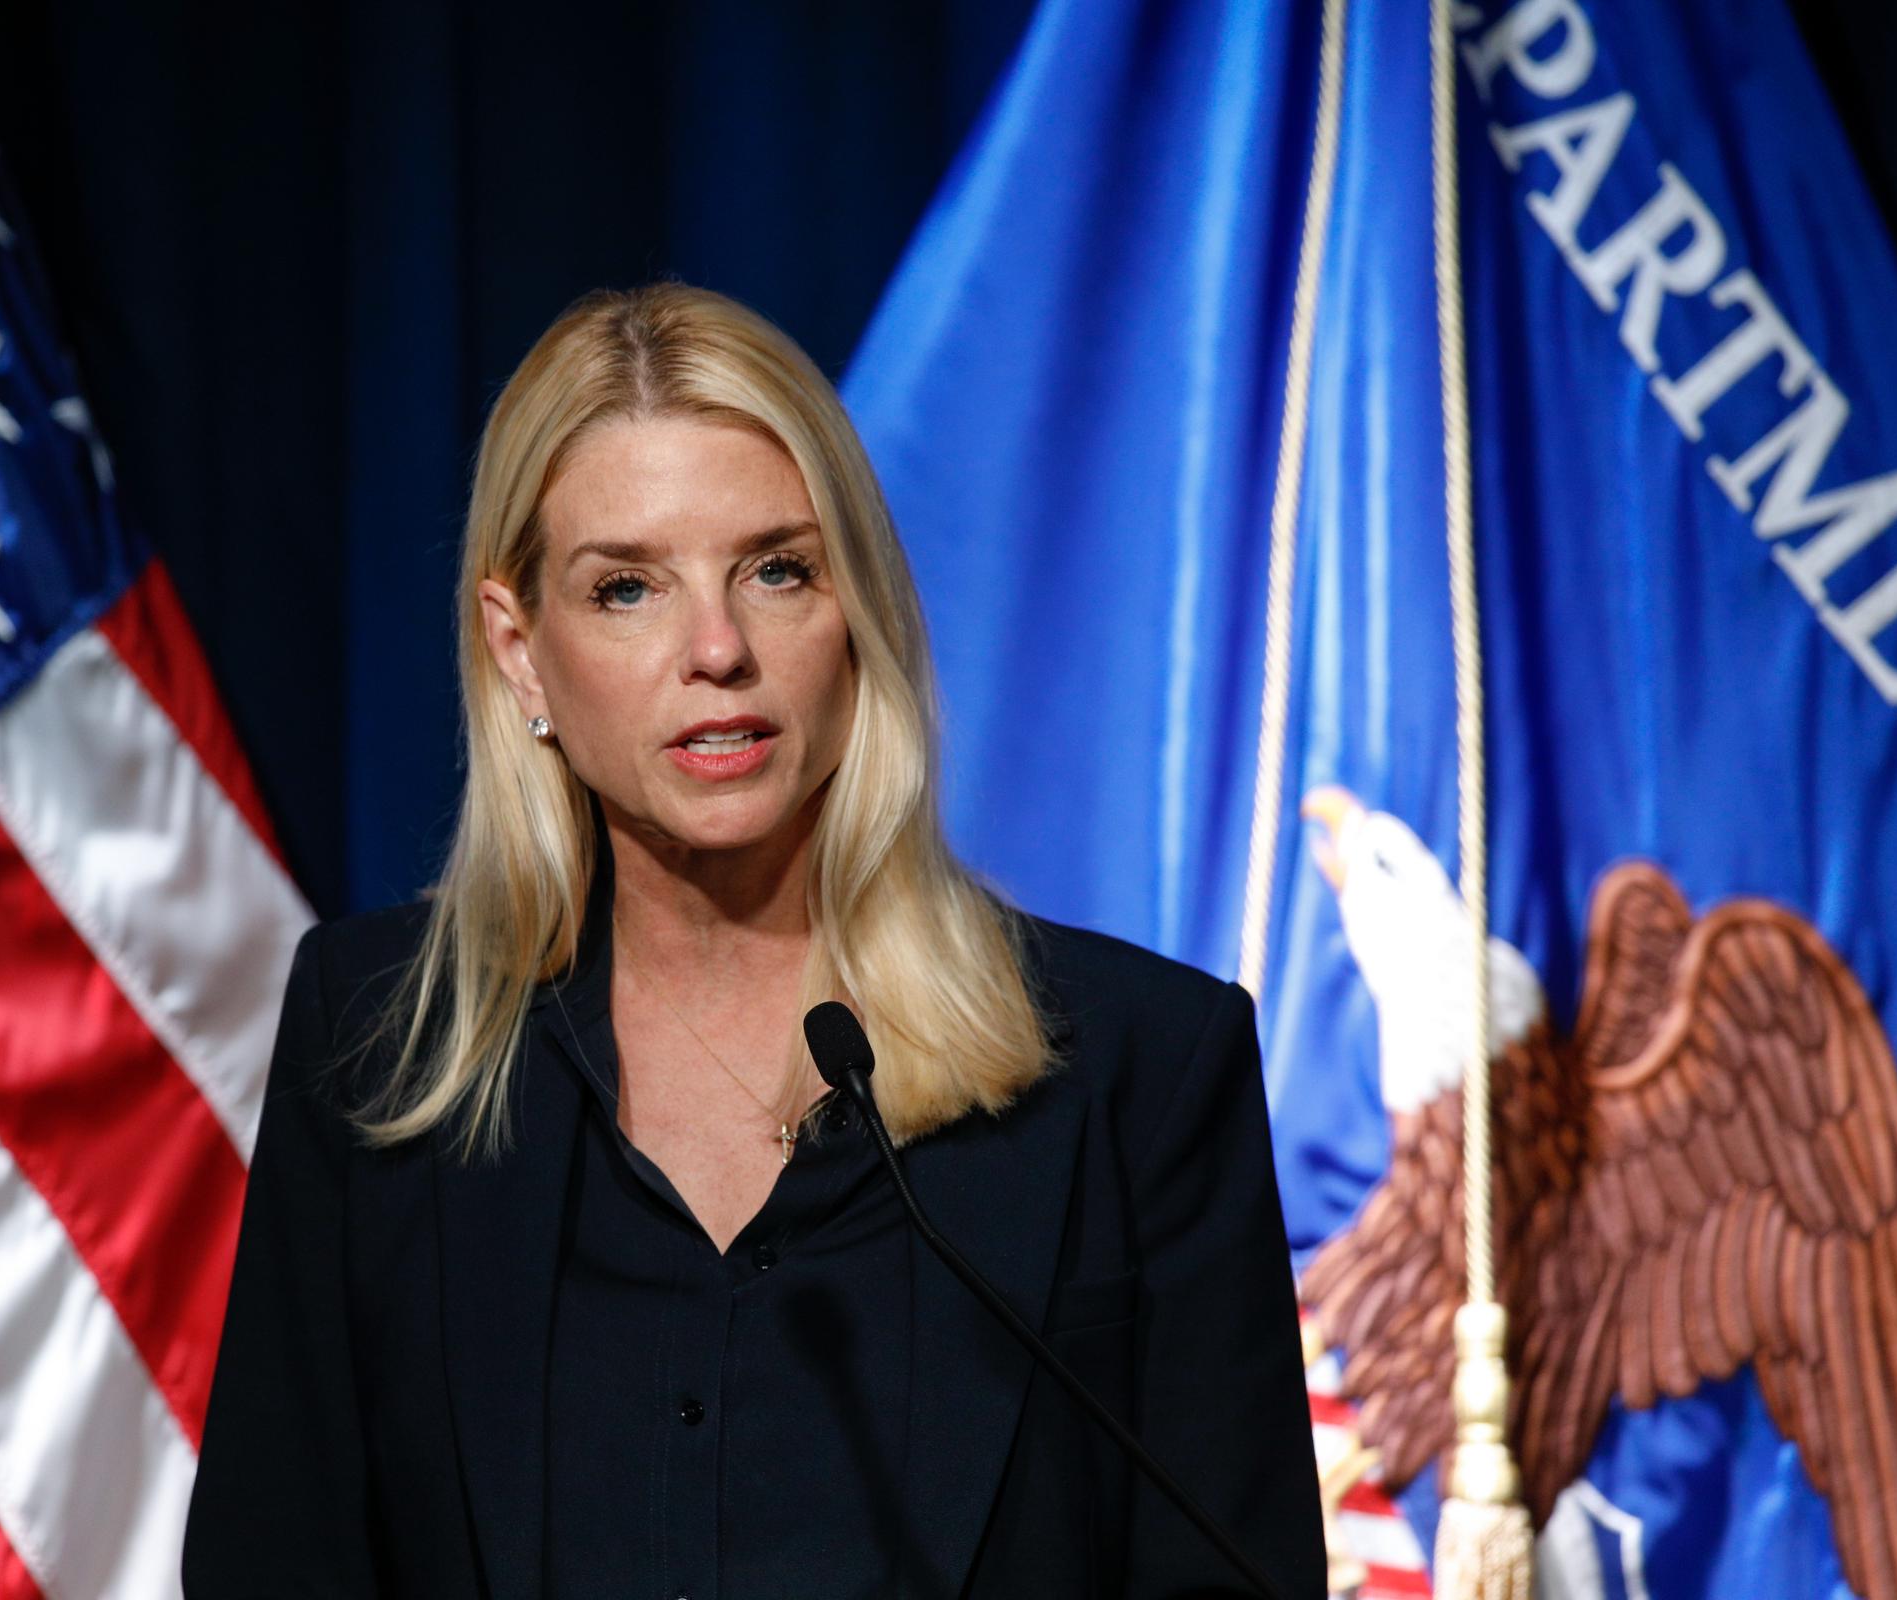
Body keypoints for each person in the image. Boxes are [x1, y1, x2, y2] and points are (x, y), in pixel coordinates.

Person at [181, 282, 1326, 1598]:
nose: (718, 649)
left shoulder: (1140, 1070)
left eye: (779, 570)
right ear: (522, 651)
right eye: (627, 588)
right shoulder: (378, 1040)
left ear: (860, 607)